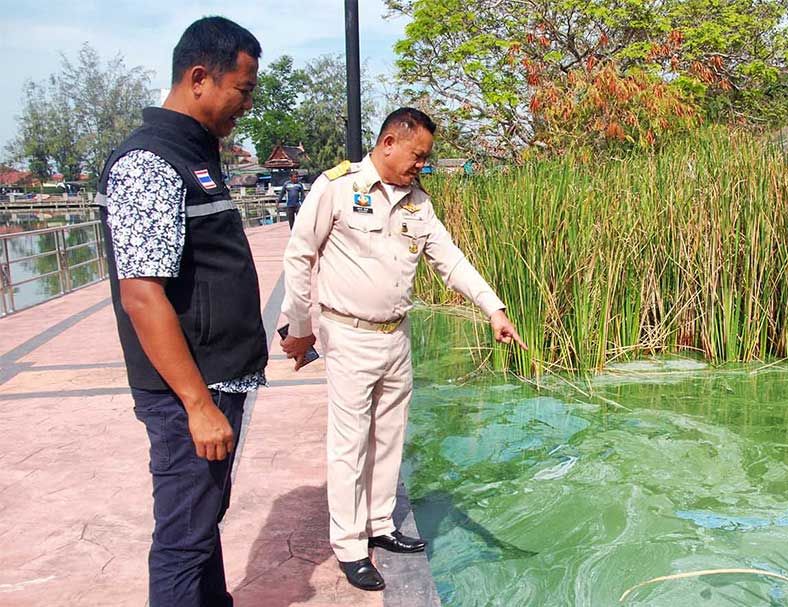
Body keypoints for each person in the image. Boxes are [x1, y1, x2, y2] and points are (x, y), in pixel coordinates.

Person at [280, 107, 526, 591]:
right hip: (348, 334)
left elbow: (449, 259)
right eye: (418, 156)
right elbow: (300, 255)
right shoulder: (337, 188)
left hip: (397, 335)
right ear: (390, 141)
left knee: (390, 435)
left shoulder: (418, 203)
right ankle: (350, 546)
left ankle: (380, 523)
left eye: (427, 160)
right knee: (350, 443)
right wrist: (302, 327)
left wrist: (492, 308)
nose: (422, 166)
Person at [95, 16, 266, 607]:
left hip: (217, 379)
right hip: (191, 390)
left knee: (200, 527)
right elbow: (142, 294)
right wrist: (197, 405)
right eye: (242, 90)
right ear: (200, 78)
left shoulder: (195, 154)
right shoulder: (150, 162)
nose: (247, 104)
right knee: (183, 541)